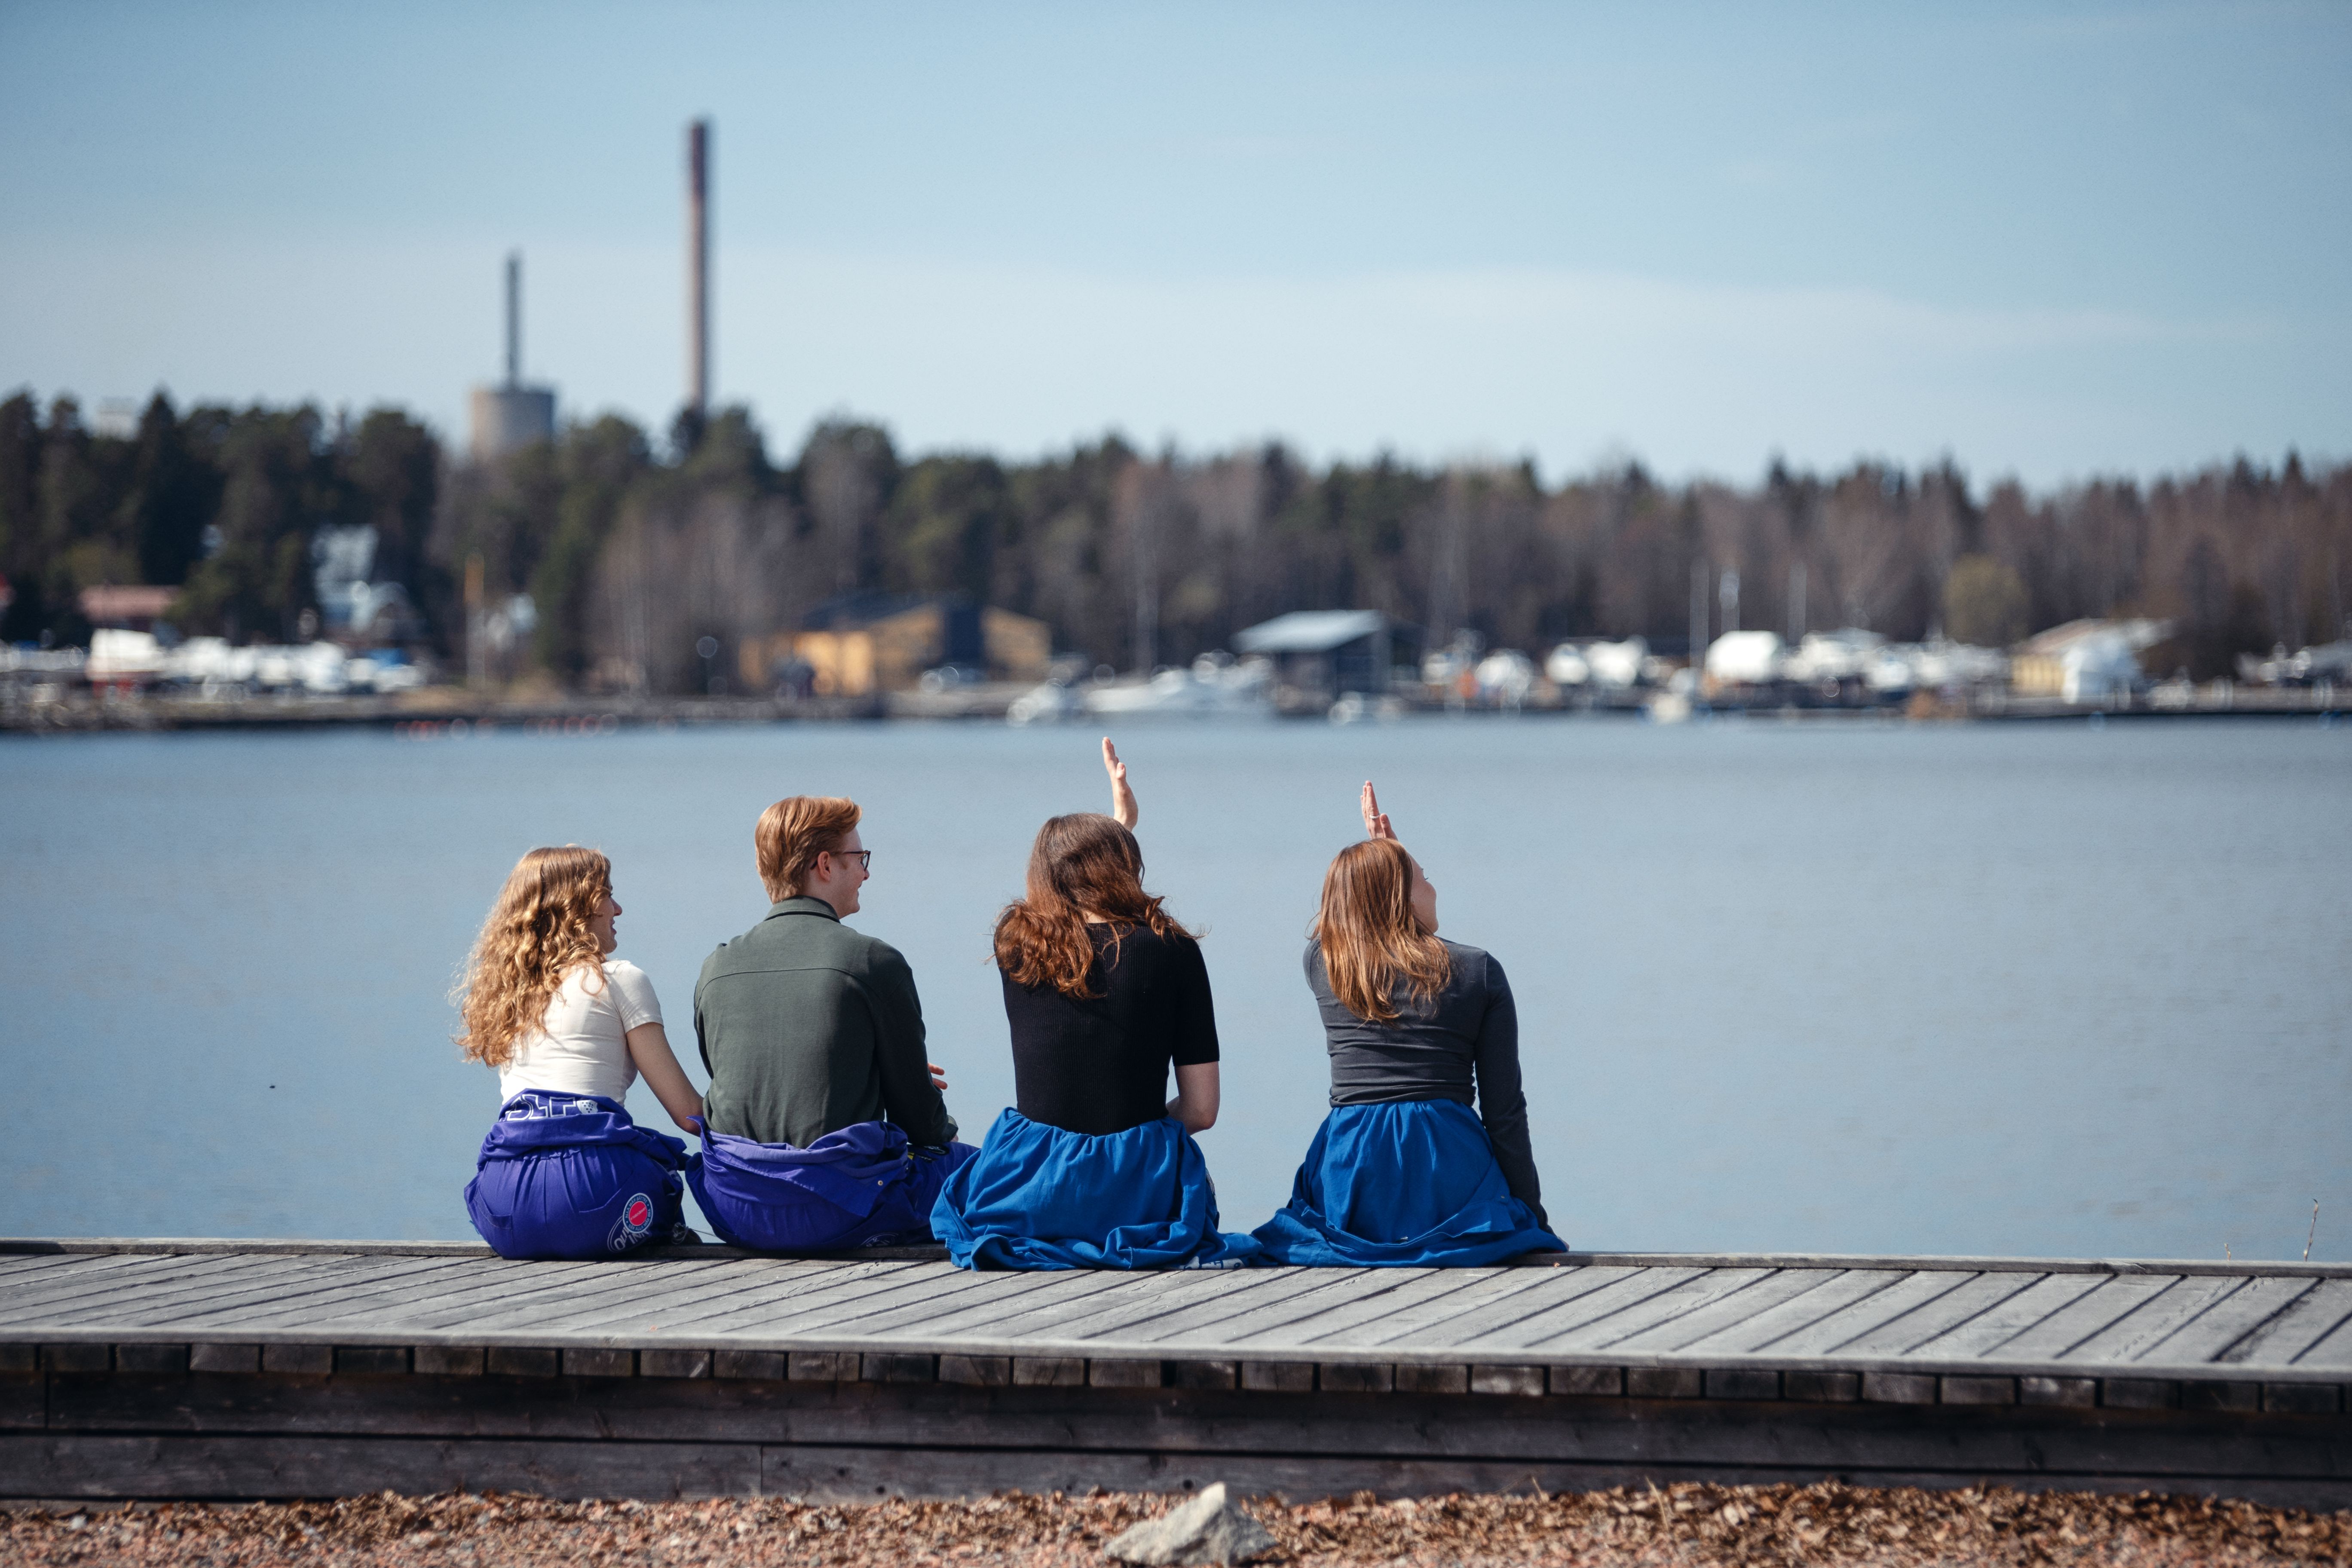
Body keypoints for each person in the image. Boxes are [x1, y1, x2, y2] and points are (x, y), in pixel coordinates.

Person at [932, 740, 1260, 1270]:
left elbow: (1082, 914)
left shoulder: (1015, 943)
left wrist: (1118, 829)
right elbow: (1201, 1111)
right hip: (1135, 1196)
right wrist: (1140, 1133)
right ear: (1125, 868)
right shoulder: (1173, 950)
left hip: (1030, 1187)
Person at [1251, 782, 1565, 1265]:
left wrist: (1381, 861)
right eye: (1424, 875)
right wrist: (1532, 1214)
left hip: (1352, 1165)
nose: (1435, 887)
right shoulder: (1477, 970)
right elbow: (1505, 1111)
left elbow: (1351, 922)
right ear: (1399, 895)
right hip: (1445, 1164)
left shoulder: (1324, 964)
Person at [689, 794, 974, 1251]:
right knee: (980, 1170)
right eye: (858, 858)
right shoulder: (872, 961)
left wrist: (868, 1075)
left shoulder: (715, 967)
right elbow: (921, 1123)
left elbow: (751, 1082)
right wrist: (922, 1108)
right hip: (833, 1211)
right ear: (825, 865)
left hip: (734, 1209)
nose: (865, 872)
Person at [456, 847, 706, 1259]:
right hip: (592, 1191)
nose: (618, 908)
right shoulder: (619, 979)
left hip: (505, 1202)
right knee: (663, 1175)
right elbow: (689, 1116)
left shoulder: (511, 994)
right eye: (607, 895)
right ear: (576, 910)